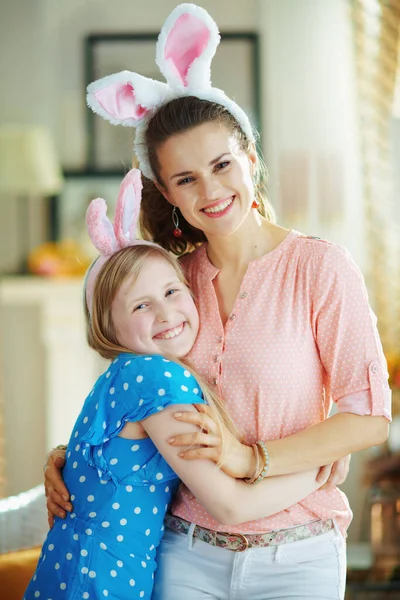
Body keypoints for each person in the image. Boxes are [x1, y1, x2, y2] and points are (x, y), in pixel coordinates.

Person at [44, 4, 391, 599]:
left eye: (222, 164)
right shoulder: (169, 285)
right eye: (185, 180)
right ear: (168, 194)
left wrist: (252, 456)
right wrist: (72, 459)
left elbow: (369, 418)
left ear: (251, 160)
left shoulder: (320, 267)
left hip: (298, 558)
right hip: (182, 556)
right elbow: (134, 397)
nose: (210, 191)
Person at [26, 169, 331, 600]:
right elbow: (229, 506)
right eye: (141, 305)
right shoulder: (155, 376)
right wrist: (318, 472)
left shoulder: (123, 376)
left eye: (172, 291)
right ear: (109, 327)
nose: (166, 314)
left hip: (77, 570)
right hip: (100, 583)